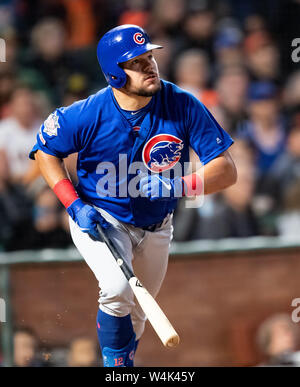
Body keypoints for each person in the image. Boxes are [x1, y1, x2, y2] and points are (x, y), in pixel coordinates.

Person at [30, 24, 237, 367]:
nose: (149, 66)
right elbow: (44, 151)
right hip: (101, 217)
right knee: (115, 289)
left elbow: (226, 170)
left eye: (149, 58)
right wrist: (73, 203)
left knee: (139, 316)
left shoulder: (182, 105)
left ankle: (122, 363)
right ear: (114, 73)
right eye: (136, 62)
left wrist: (179, 185)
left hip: (158, 223)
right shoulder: (88, 112)